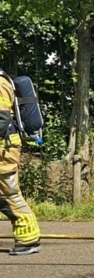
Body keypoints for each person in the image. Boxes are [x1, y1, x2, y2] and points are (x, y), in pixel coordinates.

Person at [0, 70, 40, 255]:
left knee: (8, 194)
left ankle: (28, 238)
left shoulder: (0, 83)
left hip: (3, 148)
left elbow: (1, 120)